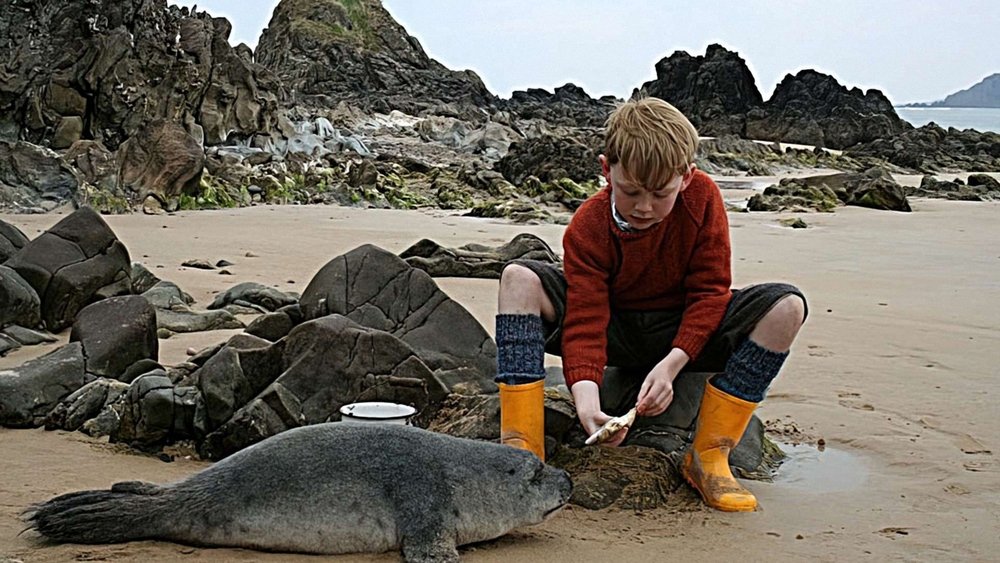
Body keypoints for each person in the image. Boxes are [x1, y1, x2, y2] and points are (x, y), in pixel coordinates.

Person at [493, 97, 807, 512]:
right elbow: (586, 317)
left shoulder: (702, 199)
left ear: (687, 177)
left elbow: (710, 292)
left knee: (786, 306)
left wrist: (672, 364)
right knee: (519, 278)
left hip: (682, 332)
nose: (644, 207)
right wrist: (586, 401)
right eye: (630, 191)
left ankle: (709, 456)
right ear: (607, 170)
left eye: (661, 194)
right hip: (616, 330)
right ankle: (522, 449)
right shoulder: (588, 225)